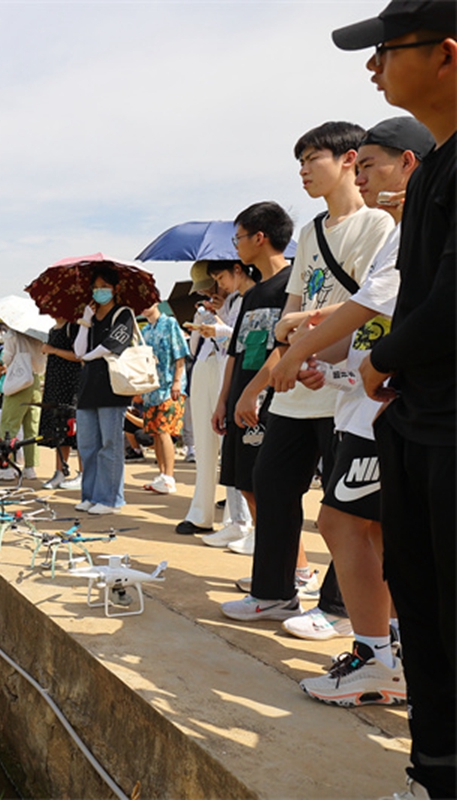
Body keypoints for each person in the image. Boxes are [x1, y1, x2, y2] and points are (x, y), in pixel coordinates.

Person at [333, 7, 456, 797]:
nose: (372, 69)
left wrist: (381, 359)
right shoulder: (440, 167)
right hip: (418, 418)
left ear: (446, 55)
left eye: (386, 52)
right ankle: (434, 770)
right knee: (424, 603)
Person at [269, 117, 432, 704]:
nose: (362, 177)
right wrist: (328, 361)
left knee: (340, 523)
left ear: (408, 164)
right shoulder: (396, 228)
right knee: (380, 532)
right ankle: (395, 645)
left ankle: (375, 656)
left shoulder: (396, 226)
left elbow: (370, 305)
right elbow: (365, 324)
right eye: (358, 166)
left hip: (385, 406)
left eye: (369, 165)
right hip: (359, 399)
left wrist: (296, 354)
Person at [223, 122, 395, 624]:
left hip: (345, 388)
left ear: (348, 160)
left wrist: (302, 327)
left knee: (349, 508)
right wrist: (266, 375)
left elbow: (366, 306)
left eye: (312, 158)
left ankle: (340, 607)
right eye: (299, 161)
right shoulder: (310, 232)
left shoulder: (378, 225)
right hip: (297, 384)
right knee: (272, 484)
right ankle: (273, 591)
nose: (302, 170)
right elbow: (288, 318)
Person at [210, 202, 295, 562]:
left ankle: (294, 567)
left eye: (239, 237)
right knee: (246, 483)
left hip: (271, 400)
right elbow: (236, 351)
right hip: (242, 400)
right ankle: (271, 562)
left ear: (260, 238)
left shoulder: (293, 285)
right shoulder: (252, 294)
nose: (236, 244)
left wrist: (253, 392)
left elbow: (286, 345)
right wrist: (224, 400)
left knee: (271, 487)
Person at [186, 262, 255, 543]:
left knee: (231, 445)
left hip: (228, 369)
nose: (212, 288)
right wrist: (208, 319)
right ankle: (200, 512)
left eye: (215, 281)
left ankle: (237, 518)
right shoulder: (224, 304)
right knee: (205, 443)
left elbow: (240, 339)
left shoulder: (248, 297)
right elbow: (194, 348)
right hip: (206, 367)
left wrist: (221, 327)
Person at [72, 265, 137, 514]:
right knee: (87, 445)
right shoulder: (89, 316)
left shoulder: (124, 314)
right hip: (88, 387)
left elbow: (112, 345)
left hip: (113, 388)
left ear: (115, 289)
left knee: (110, 444)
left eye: (104, 287)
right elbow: (79, 351)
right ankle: (90, 495)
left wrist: (88, 355)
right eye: (96, 287)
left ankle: (111, 499)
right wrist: (85, 322)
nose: (100, 291)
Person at [137, 302, 189, 495]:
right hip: (152, 389)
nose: (143, 306)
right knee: (156, 432)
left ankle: (169, 476)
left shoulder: (170, 323)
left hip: (169, 386)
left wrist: (177, 381)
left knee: (164, 429)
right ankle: (161, 474)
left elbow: (180, 355)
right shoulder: (145, 330)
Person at [0, 321, 44, 481]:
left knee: (9, 425)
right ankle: (30, 467)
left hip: (19, 380)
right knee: (32, 427)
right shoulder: (38, 335)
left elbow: (7, 358)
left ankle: (7, 467)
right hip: (35, 380)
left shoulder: (13, 334)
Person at [39, 318, 83, 491]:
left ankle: (83, 473)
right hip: (55, 385)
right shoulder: (52, 329)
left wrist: (54, 350)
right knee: (59, 430)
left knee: (76, 430)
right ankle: (60, 472)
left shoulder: (73, 327)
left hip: (71, 384)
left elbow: (79, 355)